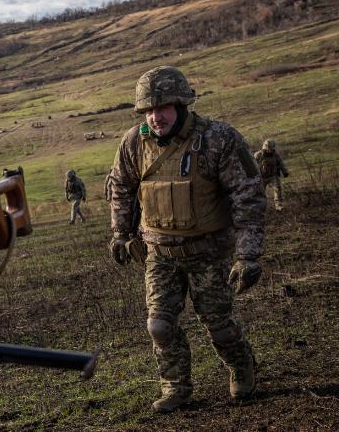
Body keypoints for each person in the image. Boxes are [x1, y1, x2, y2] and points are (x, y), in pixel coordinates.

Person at [105, 66, 266, 413]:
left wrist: (248, 255)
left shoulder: (218, 139)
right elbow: (120, 186)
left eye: (162, 107)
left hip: (209, 251)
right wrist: (121, 233)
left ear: (182, 105)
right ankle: (176, 386)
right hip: (159, 252)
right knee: (160, 325)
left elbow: (247, 195)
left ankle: (241, 366)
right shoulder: (134, 142)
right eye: (148, 109)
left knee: (219, 324)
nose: (155, 116)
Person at [254, 139, 289, 211]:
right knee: (260, 192)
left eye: (271, 149)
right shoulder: (258, 155)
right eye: (268, 148)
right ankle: (260, 207)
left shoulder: (275, 154)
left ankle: (279, 206)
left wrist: (285, 171)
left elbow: (281, 163)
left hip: (273, 175)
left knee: (277, 188)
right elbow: (253, 165)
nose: (270, 150)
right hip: (262, 177)